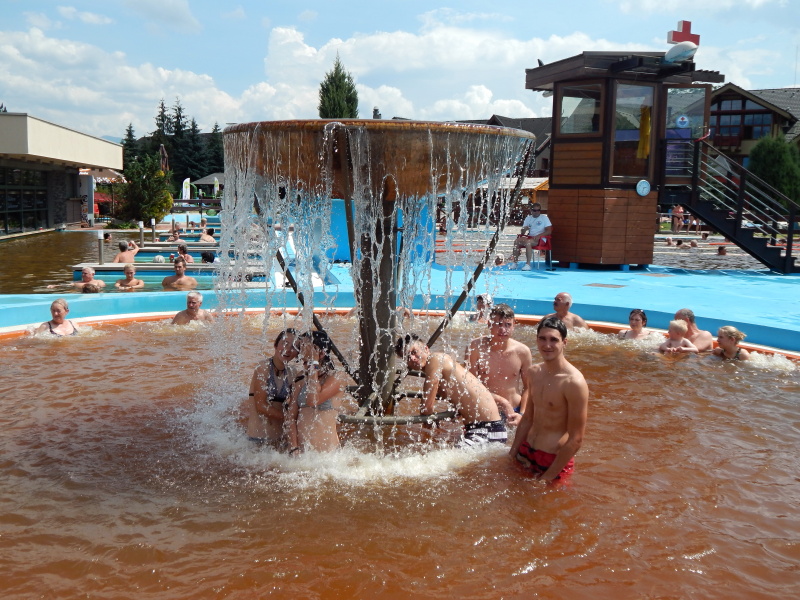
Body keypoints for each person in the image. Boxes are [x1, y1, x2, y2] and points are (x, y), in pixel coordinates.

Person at [509, 317, 589, 481]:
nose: (547, 345)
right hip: (526, 451)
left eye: (554, 340)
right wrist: (512, 454)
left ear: (564, 342)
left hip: (553, 460)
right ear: (537, 340)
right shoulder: (534, 372)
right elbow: (527, 419)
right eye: (542, 339)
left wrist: (547, 478)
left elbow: (576, 439)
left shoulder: (573, 382)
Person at [395, 333, 507, 447]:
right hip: (485, 428)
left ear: (426, 348)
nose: (412, 358)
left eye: (414, 352)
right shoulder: (443, 367)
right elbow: (474, 391)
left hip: (487, 430)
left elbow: (426, 408)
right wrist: (504, 402)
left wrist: (429, 421)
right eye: (407, 357)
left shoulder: (435, 359)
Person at [464, 303, 532, 426]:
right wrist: (502, 401)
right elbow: (470, 386)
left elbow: (528, 387)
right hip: (485, 410)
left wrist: (522, 414)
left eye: (508, 325)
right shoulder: (475, 347)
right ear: (489, 324)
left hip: (515, 411)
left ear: (514, 325)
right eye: (498, 324)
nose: (503, 330)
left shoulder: (523, 351)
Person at [286, 331, 348, 453]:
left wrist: (314, 363)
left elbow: (313, 400)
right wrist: (293, 448)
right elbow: (291, 416)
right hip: (303, 454)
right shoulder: (301, 378)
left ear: (321, 352)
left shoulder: (338, 376)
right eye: (300, 346)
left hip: (327, 454)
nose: (300, 351)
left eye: (305, 346)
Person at [242, 329, 300, 446]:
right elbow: (261, 406)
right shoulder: (263, 367)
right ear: (275, 345)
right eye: (285, 343)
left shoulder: (293, 373)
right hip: (258, 440)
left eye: (294, 347)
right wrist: (290, 419)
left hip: (281, 441)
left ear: (298, 353)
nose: (288, 350)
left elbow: (297, 405)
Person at [509, 203, 552, 271]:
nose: (536, 212)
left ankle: (528, 264)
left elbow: (549, 231)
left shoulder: (544, 218)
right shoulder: (528, 218)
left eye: (538, 210)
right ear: (531, 210)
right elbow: (522, 233)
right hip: (531, 237)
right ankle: (515, 262)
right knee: (517, 241)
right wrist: (524, 229)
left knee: (528, 242)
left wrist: (539, 235)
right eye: (534, 210)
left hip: (541, 238)